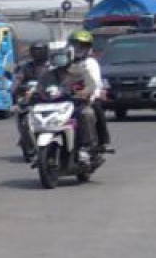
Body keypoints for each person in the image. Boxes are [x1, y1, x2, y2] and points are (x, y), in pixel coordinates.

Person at [63, 30, 111, 161]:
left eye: (83, 46)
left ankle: (99, 142)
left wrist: (89, 95)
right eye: (76, 45)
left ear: (88, 48)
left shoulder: (90, 63)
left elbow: (94, 83)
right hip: (64, 99)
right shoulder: (62, 62)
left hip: (84, 98)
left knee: (92, 110)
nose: (79, 49)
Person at [14, 42, 52, 156]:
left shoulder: (52, 66)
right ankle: (26, 140)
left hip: (49, 100)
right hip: (30, 99)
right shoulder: (26, 67)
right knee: (22, 117)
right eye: (35, 51)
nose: (37, 54)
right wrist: (14, 88)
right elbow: (18, 79)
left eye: (40, 51)